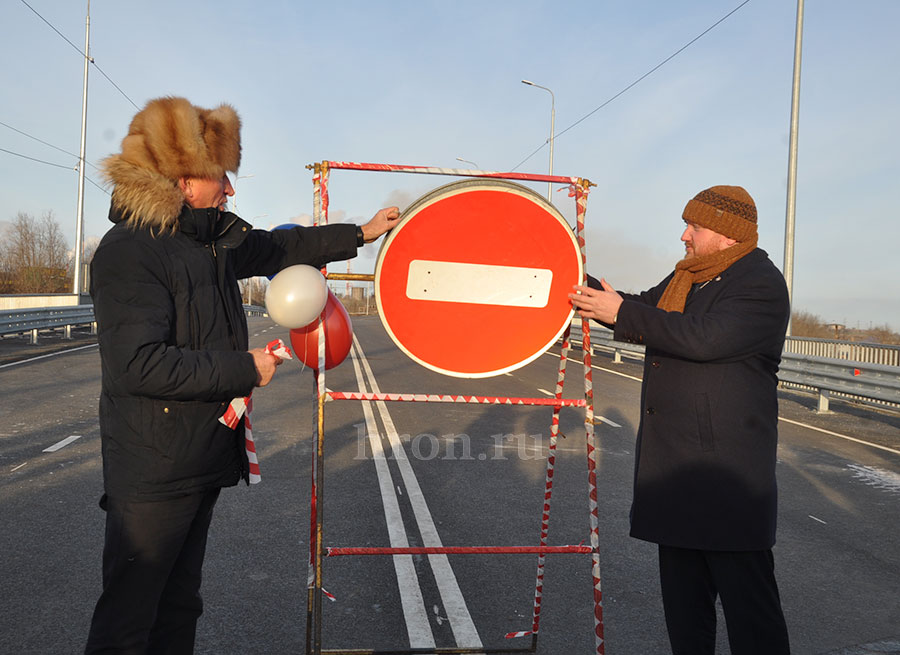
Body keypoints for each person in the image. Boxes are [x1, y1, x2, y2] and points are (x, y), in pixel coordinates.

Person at [84, 96, 400, 654]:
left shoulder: (207, 242)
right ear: (184, 181)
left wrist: (361, 233)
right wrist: (244, 368)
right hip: (152, 472)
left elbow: (281, 245)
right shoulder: (129, 252)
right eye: (221, 177)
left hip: (196, 457)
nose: (230, 189)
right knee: (130, 619)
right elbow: (139, 364)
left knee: (179, 606)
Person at [569, 185, 791, 654]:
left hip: (727, 485)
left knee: (753, 622)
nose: (685, 235)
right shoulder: (690, 277)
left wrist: (623, 311)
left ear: (727, 235)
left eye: (696, 226)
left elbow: (704, 337)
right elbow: (639, 307)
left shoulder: (760, 282)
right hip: (678, 479)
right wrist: (573, 277)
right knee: (686, 619)